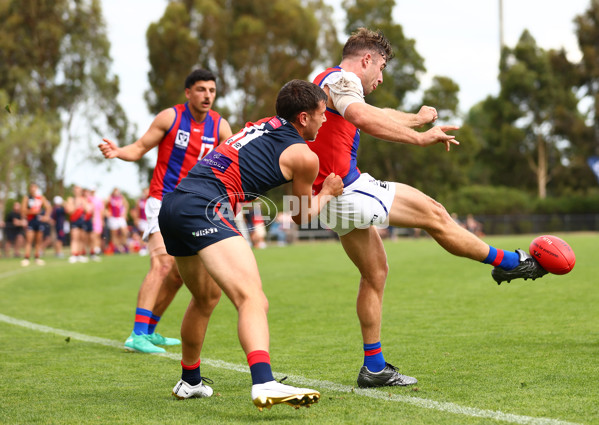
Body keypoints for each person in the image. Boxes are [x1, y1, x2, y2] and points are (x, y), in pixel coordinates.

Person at [308, 28, 548, 388]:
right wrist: (420, 138)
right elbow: (364, 118)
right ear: (367, 59)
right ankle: (512, 264)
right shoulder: (343, 78)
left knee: (375, 273)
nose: (382, 77)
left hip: (329, 197)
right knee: (436, 214)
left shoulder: (329, 82)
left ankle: (373, 367)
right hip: (346, 189)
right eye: (382, 66)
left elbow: (372, 112)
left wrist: (416, 118)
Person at [159, 79, 343, 410]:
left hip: (174, 205)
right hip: (204, 207)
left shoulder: (261, 125)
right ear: (303, 117)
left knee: (205, 297)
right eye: (321, 113)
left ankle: (190, 381)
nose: (325, 119)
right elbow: (301, 216)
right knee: (252, 298)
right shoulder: (304, 156)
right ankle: (264, 382)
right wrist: (327, 193)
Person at [99, 69, 233, 353]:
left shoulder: (220, 126)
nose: (207, 95)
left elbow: (231, 166)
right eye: (200, 89)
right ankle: (136, 335)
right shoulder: (170, 117)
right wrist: (117, 151)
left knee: (176, 275)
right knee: (161, 264)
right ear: (188, 93)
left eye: (211, 90)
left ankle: (148, 331)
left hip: (194, 207)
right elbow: (138, 148)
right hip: (161, 201)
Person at [21, 183, 52, 266]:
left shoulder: (41, 197)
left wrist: (46, 216)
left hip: (39, 221)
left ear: (37, 188)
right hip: (31, 220)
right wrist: (32, 212)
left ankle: (37, 257)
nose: (33, 189)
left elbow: (48, 207)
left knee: (39, 240)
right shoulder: (27, 198)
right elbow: (23, 210)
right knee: (29, 240)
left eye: (34, 187)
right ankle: (26, 258)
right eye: (31, 187)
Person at [65, 185, 91, 263]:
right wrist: (76, 205)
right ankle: (74, 254)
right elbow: (69, 211)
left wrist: (84, 204)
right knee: (75, 237)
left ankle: (79, 254)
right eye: (76, 190)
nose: (77, 191)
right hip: (74, 220)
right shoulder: (71, 199)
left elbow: (88, 210)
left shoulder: (84, 199)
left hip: (82, 220)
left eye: (79, 190)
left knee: (81, 238)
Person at [106, 187, 129, 254]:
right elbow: (105, 205)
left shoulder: (121, 197)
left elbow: (126, 204)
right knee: (114, 234)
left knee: (124, 232)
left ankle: (124, 245)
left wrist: (125, 213)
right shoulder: (110, 198)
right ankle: (117, 248)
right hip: (113, 217)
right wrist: (107, 211)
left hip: (120, 217)